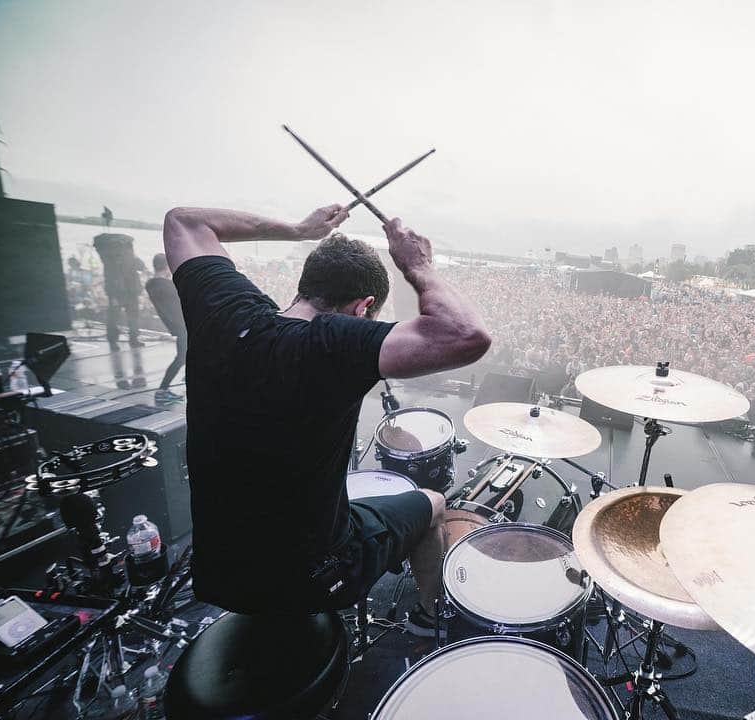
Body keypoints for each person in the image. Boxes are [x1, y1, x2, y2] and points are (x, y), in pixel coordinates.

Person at [163, 204, 490, 635]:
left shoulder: (224, 313)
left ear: (306, 285)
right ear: (363, 308)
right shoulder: (332, 347)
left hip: (216, 572)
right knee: (433, 503)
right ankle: (429, 620)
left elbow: (183, 221)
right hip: (309, 577)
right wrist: (419, 266)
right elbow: (468, 335)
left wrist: (300, 229)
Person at [144, 253, 187, 405]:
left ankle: (188, 377)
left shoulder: (151, 285)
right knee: (181, 358)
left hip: (177, 326)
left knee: (187, 356)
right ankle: (162, 390)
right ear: (167, 266)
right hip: (184, 325)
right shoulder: (168, 286)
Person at [93, 233, 145, 349]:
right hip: (127, 290)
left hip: (118, 291)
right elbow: (140, 266)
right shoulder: (126, 255)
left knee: (114, 316)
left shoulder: (109, 257)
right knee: (131, 316)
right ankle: (133, 339)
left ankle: (113, 340)